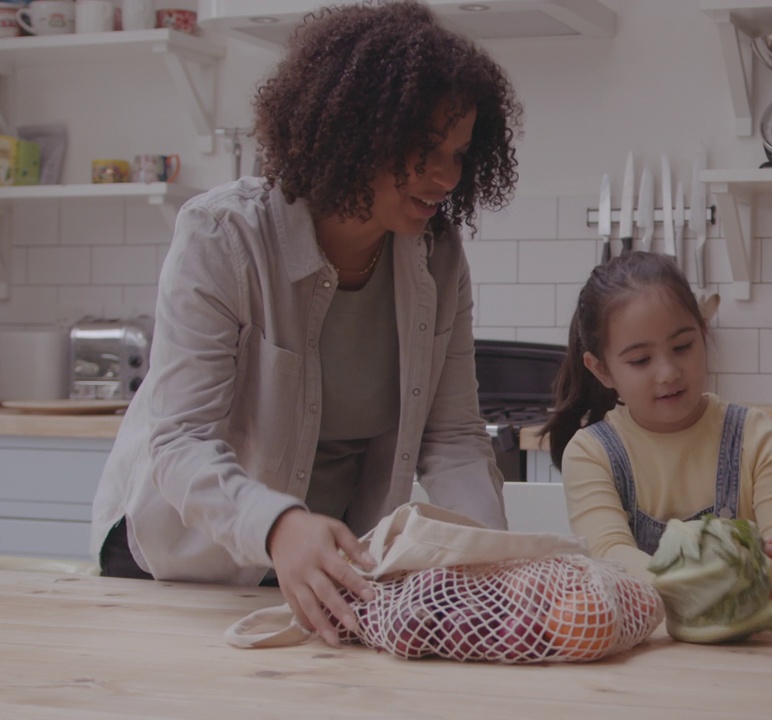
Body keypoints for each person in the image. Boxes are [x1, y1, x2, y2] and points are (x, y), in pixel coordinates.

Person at [90, 1, 522, 647]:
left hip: (331, 580)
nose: (446, 177)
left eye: (459, 154)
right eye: (424, 150)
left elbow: (454, 438)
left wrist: (495, 565)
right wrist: (279, 526)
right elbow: (180, 442)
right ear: (356, 134)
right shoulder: (224, 237)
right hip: (185, 569)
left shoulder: (438, 257)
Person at [541, 252, 772, 629]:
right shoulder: (592, 453)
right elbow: (612, 557)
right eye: (641, 360)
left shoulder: (754, 438)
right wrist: (723, 565)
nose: (668, 372)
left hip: (751, 660)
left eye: (682, 347)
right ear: (603, 369)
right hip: (641, 664)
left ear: (703, 335)